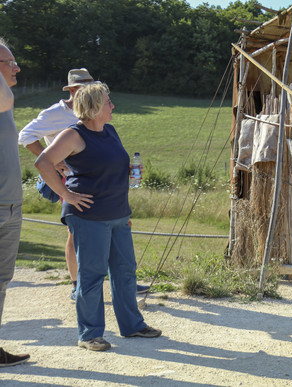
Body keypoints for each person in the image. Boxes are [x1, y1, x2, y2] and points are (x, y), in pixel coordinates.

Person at [35, 82, 161, 351]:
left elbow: (110, 168)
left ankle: (133, 326)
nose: (112, 105)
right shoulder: (73, 134)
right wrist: (66, 195)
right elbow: (43, 162)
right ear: (93, 108)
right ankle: (90, 335)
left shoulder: (110, 131)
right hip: (88, 215)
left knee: (125, 271)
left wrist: (125, 193)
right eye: (107, 102)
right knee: (92, 276)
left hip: (117, 214)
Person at [19, 68, 149, 300]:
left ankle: (121, 282)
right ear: (71, 90)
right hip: (73, 183)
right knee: (75, 232)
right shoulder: (55, 114)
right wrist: (56, 162)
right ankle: (77, 284)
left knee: (110, 229)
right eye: (83, 87)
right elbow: (26, 136)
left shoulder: (102, 120)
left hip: (100, 182)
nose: (89, 91)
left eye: (92, 86)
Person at [0, 37, 30, 366]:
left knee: (1, 282)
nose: (17, 68)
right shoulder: (2, 97)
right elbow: (5, 96)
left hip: (10, 204)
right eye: (10, 63)